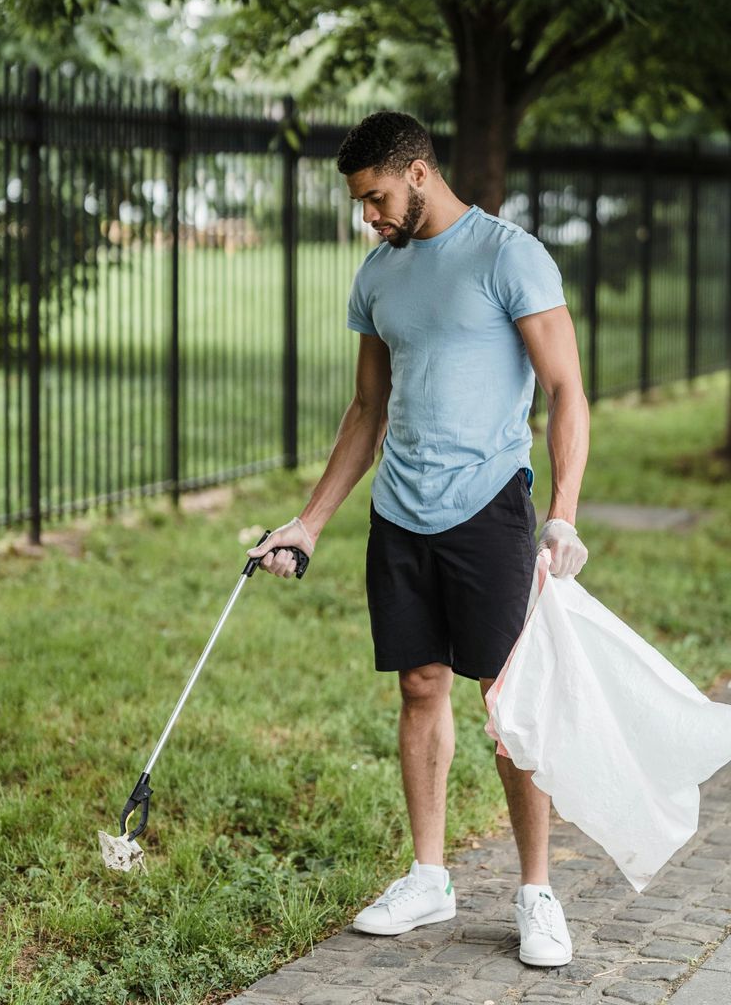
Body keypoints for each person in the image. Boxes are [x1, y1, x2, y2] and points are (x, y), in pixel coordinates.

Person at [246, 111, 589, 967]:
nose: (369, 215)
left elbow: (567, 392)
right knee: (420, 684)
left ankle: (537, 891)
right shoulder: (377, 276)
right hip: (402, 510)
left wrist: (564, 514)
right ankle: (430, 878)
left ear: (419, 171)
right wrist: (310, 522)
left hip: (490, 507)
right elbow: (368, 410)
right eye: (362, 203)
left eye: (376, 197)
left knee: (508, 702)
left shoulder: (509, 255)